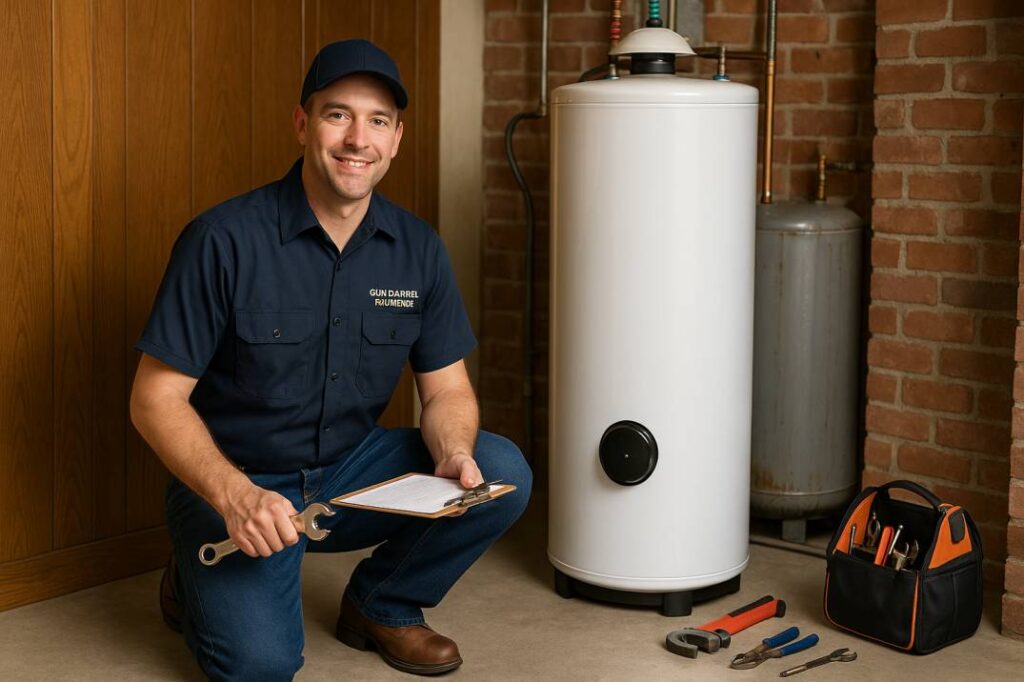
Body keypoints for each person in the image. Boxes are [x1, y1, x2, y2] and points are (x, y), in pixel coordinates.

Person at [129, 39, 532, 681]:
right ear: (302, 124)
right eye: (337, 114)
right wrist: (234, 497)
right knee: (260, 667)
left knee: (499, 469)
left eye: (377, 121)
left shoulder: (418, 249)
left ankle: (382, 605)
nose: (357, 140)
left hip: (350, 475)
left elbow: (448, 392)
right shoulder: (222, 240)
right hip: (240, 485)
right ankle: (192, 571)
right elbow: (154, 399)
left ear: (396, 138)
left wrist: (455, 451)